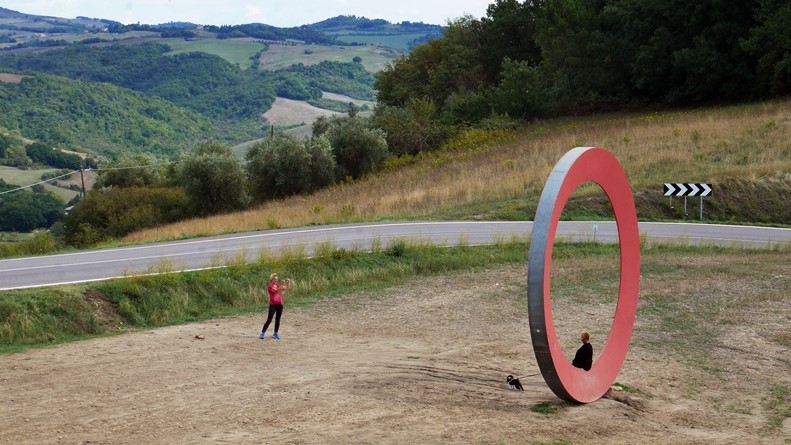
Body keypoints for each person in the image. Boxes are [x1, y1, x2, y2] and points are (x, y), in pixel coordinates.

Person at [259, 272, 290, 340]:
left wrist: (288, 282)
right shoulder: (270, 286)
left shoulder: (278, 285)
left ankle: (275, 333)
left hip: (279, 304)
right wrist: (281, 285)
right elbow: (275, 291)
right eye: (275, 279)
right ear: (272, 279)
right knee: (269, 319)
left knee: (278, 319)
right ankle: (262, 333)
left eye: (277, 279)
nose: (276, 280)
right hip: (273, 305)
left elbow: (286, 288)